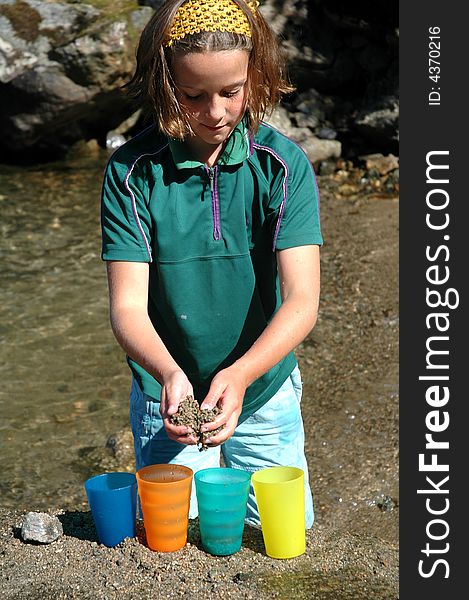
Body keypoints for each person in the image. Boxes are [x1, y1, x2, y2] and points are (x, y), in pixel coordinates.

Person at [100, 0, 323, 527]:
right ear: (164, 83)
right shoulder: (132, 173)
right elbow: (127, 307)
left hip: (263, 385)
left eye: (231, 92)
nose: (215, 112)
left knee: (278, 536)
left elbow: (302, 300)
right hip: (168, 396)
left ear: (256, 76)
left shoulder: (282, 165)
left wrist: (243, 373)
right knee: (172, 537)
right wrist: (170, 375)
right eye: (193, 95)